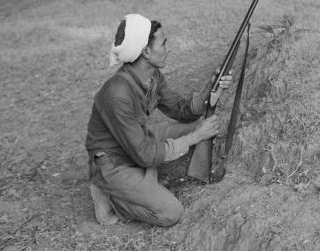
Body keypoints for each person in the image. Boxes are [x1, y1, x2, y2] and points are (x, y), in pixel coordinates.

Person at [85, 13, 233, 227]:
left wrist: (211, 87)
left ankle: (145, 182)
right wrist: (194, 137)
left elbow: (183, 111)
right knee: (171, 212)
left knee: (202, 127)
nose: (168, 49)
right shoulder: (117, 94)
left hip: (139, 147)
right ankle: (112, 197)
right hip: (115, 164)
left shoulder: (152, 77)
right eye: (163, 44)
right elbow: (145, 155)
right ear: (146, 51)